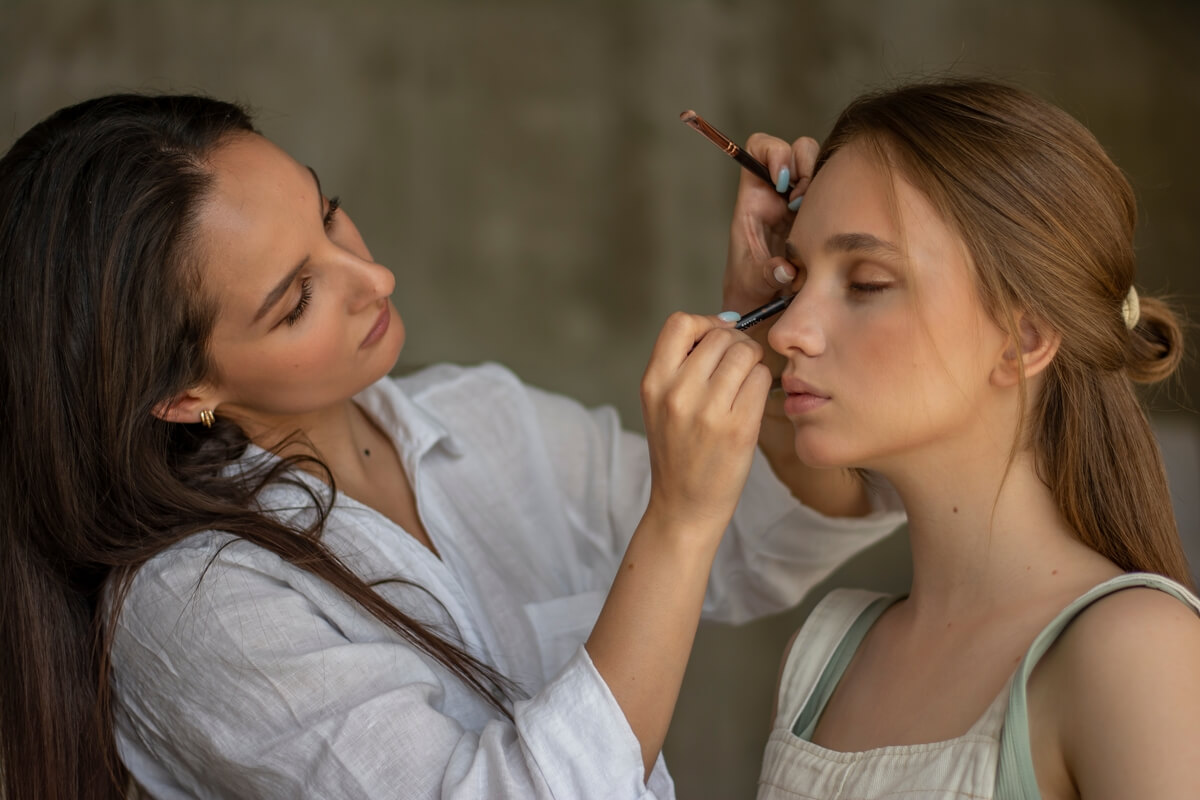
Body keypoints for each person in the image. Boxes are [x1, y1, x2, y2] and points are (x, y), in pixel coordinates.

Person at [0, 94, 903, 799]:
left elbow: (754, 549)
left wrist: (771, 327)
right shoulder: (197, 606)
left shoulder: (485, 421)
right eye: (297, 300)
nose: (374, 276)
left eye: (330, 215)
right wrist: (676, 521)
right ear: (182, 393)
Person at [748, 78, 1200, 799]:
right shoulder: (827, 655)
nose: (787, 330)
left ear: (1023, 338)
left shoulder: (1134, 653)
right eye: (795, 279)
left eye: (864, 282)